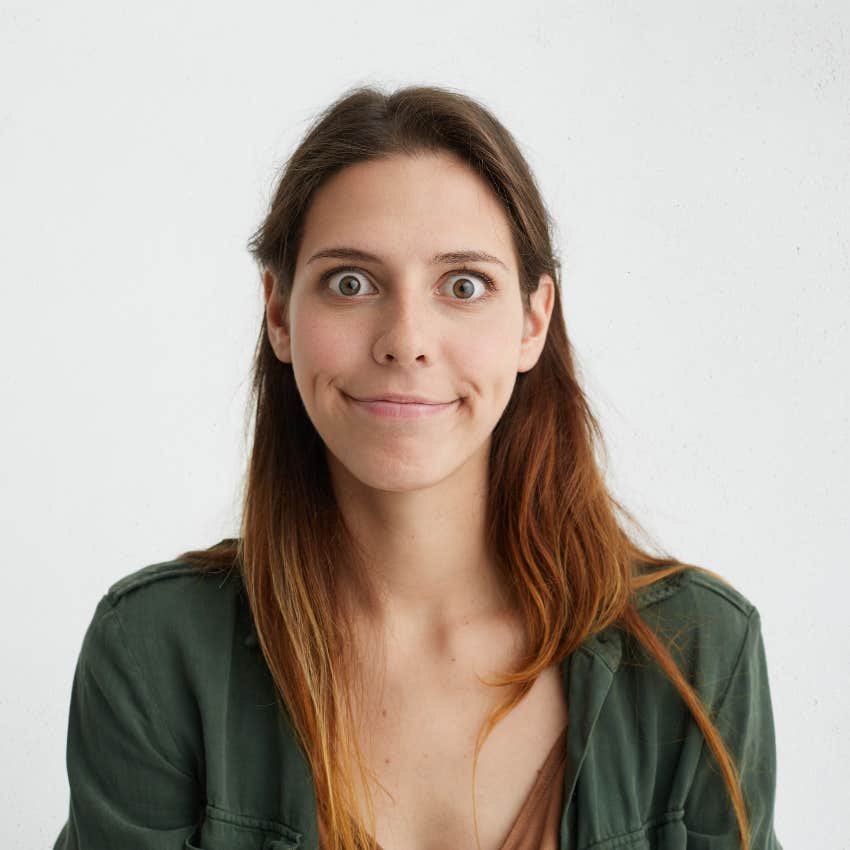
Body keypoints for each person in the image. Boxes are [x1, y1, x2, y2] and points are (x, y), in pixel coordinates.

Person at [53, 84, 783, 850]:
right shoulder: (154, 652)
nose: (406, 339)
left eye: (463, 285)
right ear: (278, 312)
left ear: (534, 321)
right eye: (351, 282)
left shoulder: (698, 652)